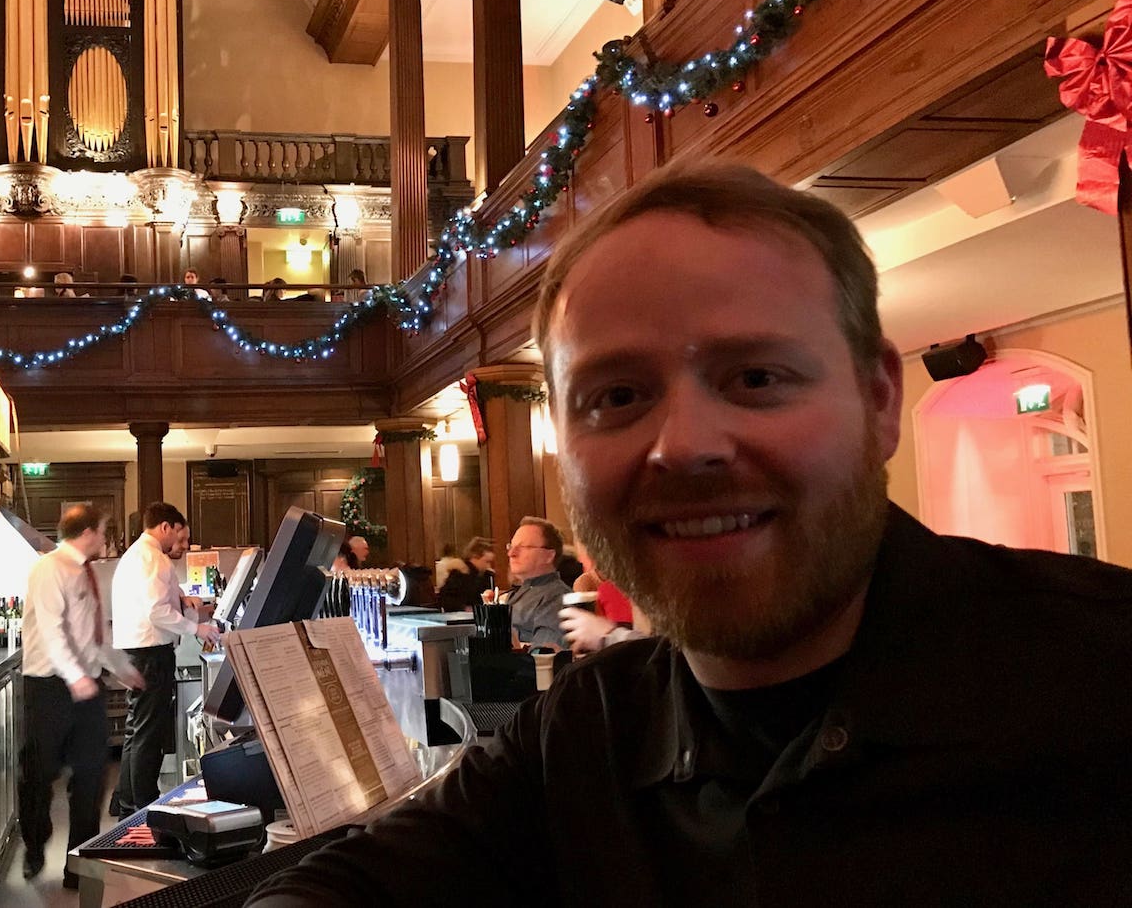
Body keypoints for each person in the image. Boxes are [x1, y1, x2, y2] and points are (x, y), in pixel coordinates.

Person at [246, 162, 1132, 907]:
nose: (683, 447)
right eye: (619, 396)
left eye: (755, 376)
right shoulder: (581, 737)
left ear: (878, 402)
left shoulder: (1099, 677)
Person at [18, 503, 143, 887]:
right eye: (103, 531)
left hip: (87, 687)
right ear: (87, 533)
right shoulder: (48, 569)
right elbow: (54, 631)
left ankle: (80, 866)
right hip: (49, 688)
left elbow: (92, 637)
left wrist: (121, 669)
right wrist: (75, 678)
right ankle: (36, 844)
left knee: (92, 776)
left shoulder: (87, 574)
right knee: (39, 774)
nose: (105, 539)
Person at [109, 502, 221, 817]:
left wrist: (181, 598)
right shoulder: (154, 558)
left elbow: (154, 600)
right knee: (149, 731)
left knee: (137, 727)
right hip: (150, 653)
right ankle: (144, 804)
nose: (182, 546)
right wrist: (196, 627)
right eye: (181, 537)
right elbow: (156, 611)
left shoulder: (137, 555)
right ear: (166, 527)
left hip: (136, 650)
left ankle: (127, 801)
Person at [503, 516, 570, 648]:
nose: (511, 553)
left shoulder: (556, 597)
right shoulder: (519, 592)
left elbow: (544, 655)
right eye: (511, 546)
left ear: (549, 556)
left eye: (522, 547)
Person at [435, 536, 494, 612]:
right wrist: (465, 608)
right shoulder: (459, 574)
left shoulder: (486, 576)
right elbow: (447, 600)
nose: (488, 566)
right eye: (487, 561)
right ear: (475, 557)